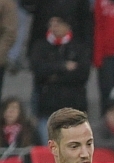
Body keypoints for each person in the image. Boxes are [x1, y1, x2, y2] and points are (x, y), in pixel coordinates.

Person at [29, 15, 90, 143]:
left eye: (58, 24)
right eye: (51, 24)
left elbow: (82, 75)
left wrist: (52, 76)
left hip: (74, 108)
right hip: (47, 108)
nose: (54, 28)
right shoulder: (40, 46)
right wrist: (63, 66)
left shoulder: (79, 47)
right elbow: (38, 71)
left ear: (67, 26)